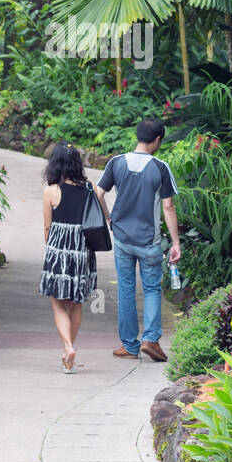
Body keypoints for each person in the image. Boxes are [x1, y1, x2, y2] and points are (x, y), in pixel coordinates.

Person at [95, 118, 180, 362]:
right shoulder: (160, 167)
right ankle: (150, 340)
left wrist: (109, 219)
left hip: (122, 238)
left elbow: (98, 192)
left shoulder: (117, 162)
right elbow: (168, 205)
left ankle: (130, 346)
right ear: (157, 140)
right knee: (152, 288)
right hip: (149, 241)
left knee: (126, 290)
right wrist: (175, 242)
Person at [39, 141, 105, 373]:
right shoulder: (91, 190)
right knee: (75, 305)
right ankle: (69, 355)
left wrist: (52, 253)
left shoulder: (51, 192)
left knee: (58, 303)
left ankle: (67, 347)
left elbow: (47, 227)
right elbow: (103, 217)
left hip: (59, 252)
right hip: (83, 252)